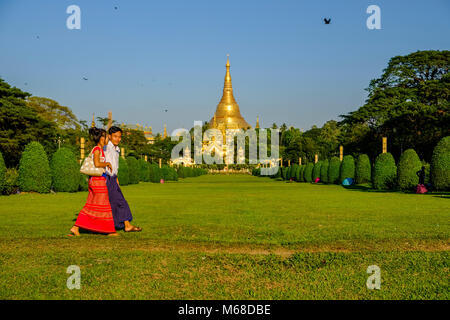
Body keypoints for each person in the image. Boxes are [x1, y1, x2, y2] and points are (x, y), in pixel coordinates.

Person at [69, 127, 118, 236]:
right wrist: (107, 164)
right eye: (106, 137)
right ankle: (109, 230)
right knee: (104, 205)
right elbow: (96, 163)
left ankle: (75, 228)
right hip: (97, 181)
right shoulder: (97, 149)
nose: (108, 140)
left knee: (91, 205)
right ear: (101, 138)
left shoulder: (98, 149)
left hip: (96, 180)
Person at [104, 126, 142, 232]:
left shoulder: (117, 149)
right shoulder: (106, 147)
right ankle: (126, 225)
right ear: (110, 136)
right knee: (120, 201)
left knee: (115, 202)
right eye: (115, 136)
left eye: (119, 137)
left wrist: (116, 179)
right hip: (107, 178)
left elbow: (115, 166)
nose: (118, 139)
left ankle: (120, 224)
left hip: (113, 178)